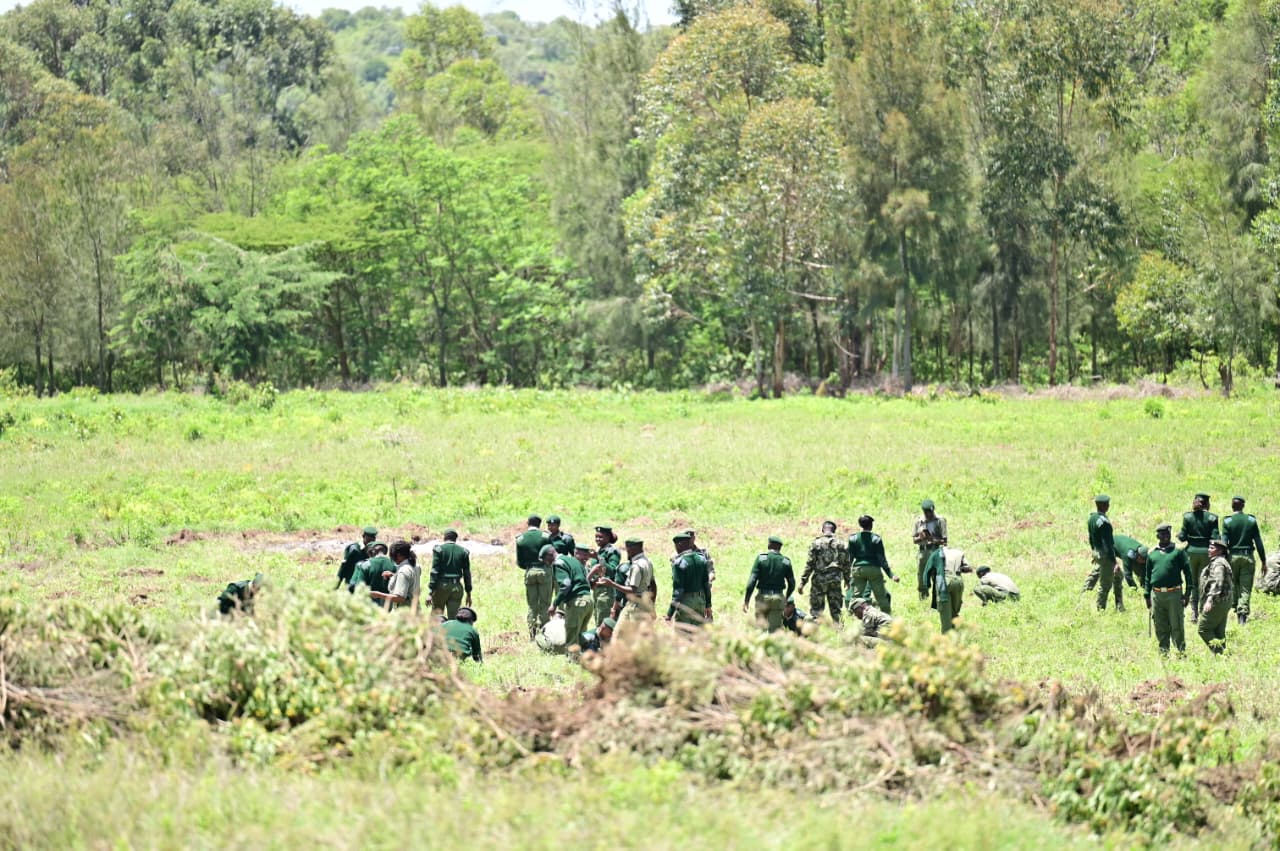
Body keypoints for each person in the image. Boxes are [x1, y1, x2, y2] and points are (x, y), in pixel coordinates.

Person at [1144, 522, 1194, 656]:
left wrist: (1188, 593)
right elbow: (1148, 576)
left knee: (1176, 624)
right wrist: (1147, 595)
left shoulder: (1177, 551)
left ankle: (1180, 652)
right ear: (1157, 536)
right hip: (1157, 594)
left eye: (1168, 533)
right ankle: (1163, 652)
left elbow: (1188, 573)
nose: (1166, 536)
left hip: (1174, 593)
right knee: (1160, 625)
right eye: (1162, 534)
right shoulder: (1152, 553)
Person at [1221, 495, 1265, 624]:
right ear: (1243, 506)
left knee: (1233, 585)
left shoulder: (1227, 521)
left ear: (1232, 506)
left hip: (1232, 557)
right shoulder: (1251, 520)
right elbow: (1258, 542)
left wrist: (1223, 560)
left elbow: (1224, 543)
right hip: (1247, 557)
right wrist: (1263, 561)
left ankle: (1236, 607)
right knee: (1245, 587)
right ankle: (1242, 616)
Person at [846, 515, 899, 614]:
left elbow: (849, 559)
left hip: (858, 569)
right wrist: (891, 575)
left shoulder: (853, 539)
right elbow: (882, 560)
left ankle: (851, 614)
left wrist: (846, 574)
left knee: (856, 596)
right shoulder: (876, 539)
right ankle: (887, 617)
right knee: (881, 596)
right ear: (871, 525)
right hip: (873, 569)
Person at [799, 520, 849, 624]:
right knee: (836, 611)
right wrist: (848, 581)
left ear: (823, 529)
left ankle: (813, 634)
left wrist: (803, 582)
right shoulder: (842, 544)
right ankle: (840, 635)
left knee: (816, 612)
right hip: (835, 580)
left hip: (819, 581)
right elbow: (846, 564)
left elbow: (810, 564)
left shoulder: (816, 543)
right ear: (834, 530)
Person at [1178, 492, 1219, 621]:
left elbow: (1182, 537)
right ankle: (1203, 609)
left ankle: (1193, 611)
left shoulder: (1188, 517)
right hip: (1206, 553)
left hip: (1190, 553)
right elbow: (1215, 538)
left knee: (1192, 582)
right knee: (1204, 582)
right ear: (1207, 503)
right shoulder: (1212, 518)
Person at [743, 536, 796, 632]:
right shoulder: (786, 562)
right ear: (780, 547)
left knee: (760, 629)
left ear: (769, 545)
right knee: (775, 631)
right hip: (778, 598)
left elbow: (752, 582)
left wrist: (746, 600)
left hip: (763, 597)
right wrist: (786, 598)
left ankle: (760, 646)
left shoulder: (761, 559)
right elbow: (792, 583)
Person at [603, 538, 656, 627]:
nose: (627, 552)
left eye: (627, 549)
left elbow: (632, 589)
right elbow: (653, 584)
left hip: (635, 605)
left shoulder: (636, 565)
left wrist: (612, 584)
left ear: (632, 549)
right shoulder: (648, 562)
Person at [515, 515, 552, 639]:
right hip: (544, 571)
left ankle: (532, 634)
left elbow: (519, 562)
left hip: (529, 571)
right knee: (545, 603)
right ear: (540, 524)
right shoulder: (545, 537)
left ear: (527, 523)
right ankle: (545, 633)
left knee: (532, 605)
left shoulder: (521, 539)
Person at [551, 543, 594, 645]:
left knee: (572, 633)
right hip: (587, 601)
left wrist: (554, 604)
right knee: (580, 634)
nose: (586, 558)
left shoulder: (573, 564)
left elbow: (566, 585)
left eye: (587, 556)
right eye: (583, 555)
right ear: (576, 553)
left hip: (578, 601)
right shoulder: (576, 564)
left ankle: (572, 659)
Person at [666, 532, 713, 626]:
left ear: (679, 545)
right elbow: (706, 584)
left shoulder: (679, 563)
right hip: (700, 601)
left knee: (683, 635)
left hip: (686, 603)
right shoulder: (701, 559)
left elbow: (678, 591)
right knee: (698, 634)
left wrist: (669, 613)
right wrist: (708, 605)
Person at [1088, 495, 1123, 612]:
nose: (1109, 506)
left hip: (1097, 552)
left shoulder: (1092, 518)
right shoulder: (1105, 523)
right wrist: (1114, 562)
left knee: (1119, 576)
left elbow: (1091, 538)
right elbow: (1108, 545)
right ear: (1104, 506)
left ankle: (1119, 605)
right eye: (1107, 504)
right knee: (1105, 584)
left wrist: (1094, 552)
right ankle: (1100, 609)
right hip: (1105, 556)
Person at [919, 545, 966, 633]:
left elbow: (927, 571)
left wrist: (926, 585)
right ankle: (957, 632)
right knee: (954, 611)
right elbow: (967, 568)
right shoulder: (959, 552)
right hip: (958, 581)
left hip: (944, 582)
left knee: (945, 613)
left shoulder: (937, 553)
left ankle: (946, 638)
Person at [429, 530, 472, 618]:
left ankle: (435, 632)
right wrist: (468, 593)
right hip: (456, 587)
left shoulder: (439, 550)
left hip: (441, 586)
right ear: (455, 539)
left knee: (436, 616)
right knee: (454, 617)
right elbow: (467, 573)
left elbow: (434, 571)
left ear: (444, 538)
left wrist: (430, 591)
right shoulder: (463, 551)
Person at [587, 526, 622, 628]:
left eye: (600, 537)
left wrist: (597, 557)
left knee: (603, 622)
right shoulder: (600, 551)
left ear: (607, 537)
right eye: (596, 537)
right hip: (596, 590)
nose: (597, 539)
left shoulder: (612, 551)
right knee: (597, 617)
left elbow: (612, 570)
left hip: (606, 591)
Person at [372, 540, 421, 611]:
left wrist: (378, 595)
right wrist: (394, 576)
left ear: (398, 555)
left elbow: (400, 598)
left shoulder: (403, 571)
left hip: (404, 614)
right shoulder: (416, 566)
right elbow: (410, 580)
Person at [912, 499, 948, 575]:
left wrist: (933, 540)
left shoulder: (940, 520)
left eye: (931, 512)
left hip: (936, 551)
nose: (929, 514)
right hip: (923, 552)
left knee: (937, 577)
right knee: (922, 577)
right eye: (926, 512)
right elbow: (914, 540)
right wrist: (921, 538)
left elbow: (944, 541)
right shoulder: (918, 521)